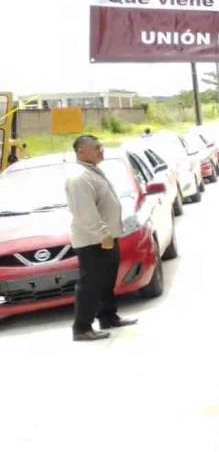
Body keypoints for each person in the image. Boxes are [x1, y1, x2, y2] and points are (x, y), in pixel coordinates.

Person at [65, 135, 136, 341]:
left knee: (105, 281)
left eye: (101, 146)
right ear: (81, 151)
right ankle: (81, 328)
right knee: (90, 284)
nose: (101, 150)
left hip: (106, 238)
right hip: (93, 240)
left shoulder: (91, 171)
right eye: (96, 147)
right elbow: (85, 213)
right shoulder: (79, 177)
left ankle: (108, 316)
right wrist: (103, 234)